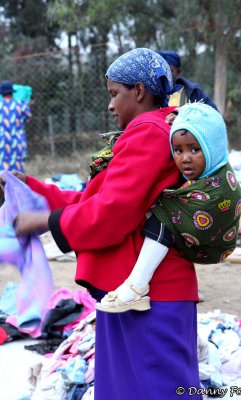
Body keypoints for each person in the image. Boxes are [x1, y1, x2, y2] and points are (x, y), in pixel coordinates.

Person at [5, 48, 203, 399]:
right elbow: (94, 199)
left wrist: (47, 220)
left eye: (115, 94)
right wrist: (32, 188)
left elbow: (112, 212)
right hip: (133, 292)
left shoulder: (149, 132)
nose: (111, 106)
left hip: (150, 296)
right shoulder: (154, 130)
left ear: (139, 92)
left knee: (156, 390)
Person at [96, 102, 241, 313]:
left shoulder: (219, 191)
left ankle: (137, 286)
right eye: (178, 150)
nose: (185, 159)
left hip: (211, 244)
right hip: (184, 269)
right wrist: (181, 114)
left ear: (214, 147)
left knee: (162, 217)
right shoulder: (204, 172)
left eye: (195, 149)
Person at [0, 80, 32, 172]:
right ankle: (17, 185)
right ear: (12, 93)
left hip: (1, 141)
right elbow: (28, 118)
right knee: (17, 169)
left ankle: (2, 185)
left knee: (2, 169)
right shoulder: (21, 105)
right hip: (17, 141)